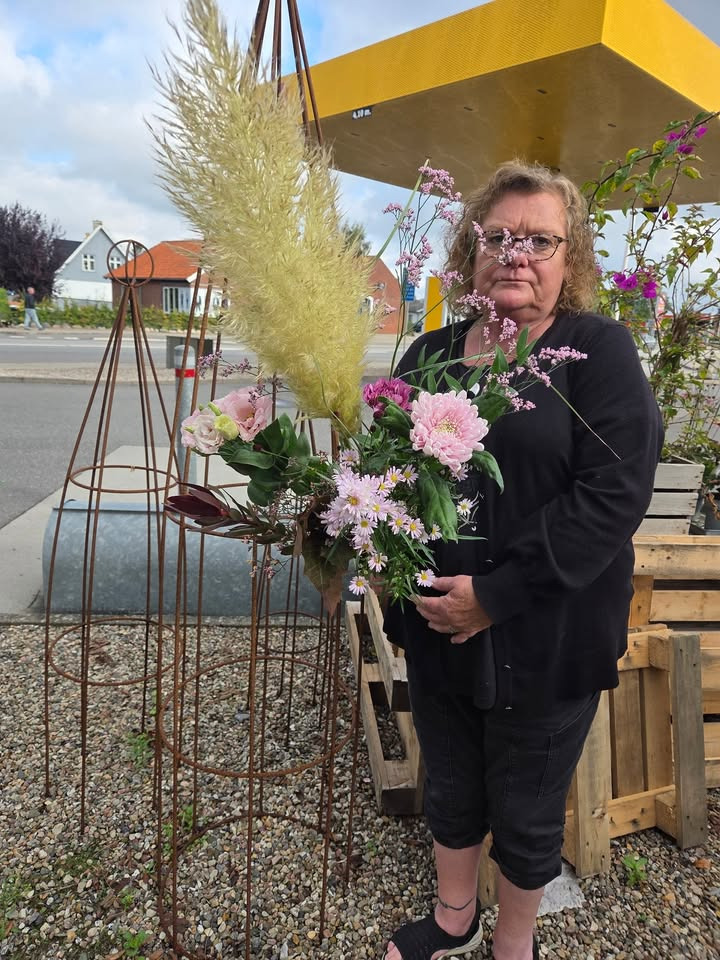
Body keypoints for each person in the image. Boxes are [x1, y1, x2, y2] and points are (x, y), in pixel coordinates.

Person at [381, 161, 663, 960]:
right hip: (437, 625)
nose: (516, 254)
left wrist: (498, 594)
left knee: (530, 799)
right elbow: (390, 474)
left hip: (546, 633)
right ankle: (452, 918)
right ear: (470, 251)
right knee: (453, 782)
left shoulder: (593, 352)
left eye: (539, 239)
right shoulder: (430, 353)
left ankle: (514, 944)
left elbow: (613, 493)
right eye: (496, 237)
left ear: (569, 259)